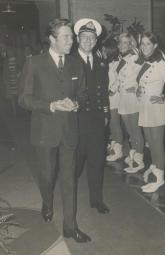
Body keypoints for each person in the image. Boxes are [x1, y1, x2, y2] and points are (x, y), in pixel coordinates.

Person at [18, 18, 91, 242]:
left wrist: (76, 102)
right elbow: (24, 99)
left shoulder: (76, 63)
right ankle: (47, 201)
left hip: (69, 131)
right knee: (47, 176)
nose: (72, 41)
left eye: (71, 36)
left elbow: (83, 93)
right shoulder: (35, 63)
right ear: (52, 39)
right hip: (44, 132)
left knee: (69, 179)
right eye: (66, 37)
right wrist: (50, 105)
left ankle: (70, 226)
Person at [132, 32, 165, 193]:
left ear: (155, 46)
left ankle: (159, 178)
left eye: (148, 44)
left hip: (157, 110)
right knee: (150, 144)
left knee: (157, 146)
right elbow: (144, 83)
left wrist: (164, 100)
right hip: (145, 108)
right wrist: (138, 91)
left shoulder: (160, 64)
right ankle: (155, 170)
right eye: (142, 44)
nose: (144, 47)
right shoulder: (144, 63)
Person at [73, 18, 110, 214]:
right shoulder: (70, 62)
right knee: (75, 163)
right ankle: (69, 199)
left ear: (96, 41)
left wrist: (105, 114)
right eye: (84, 37)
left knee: (97, 160)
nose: (88, 41)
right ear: (78, 38)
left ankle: (96, 200)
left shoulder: (102, 62)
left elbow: (103, 90)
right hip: (77, 120)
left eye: (91, 38)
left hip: (96, 120)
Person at [116, 33, 144, 172]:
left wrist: (138, 87)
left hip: (133, 98)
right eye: (120, 42)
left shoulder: (135, 57)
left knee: (135, 130)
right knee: (130, 131)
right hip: (123, 98)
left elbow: (145, 73)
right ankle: (134, 154)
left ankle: (139, 160)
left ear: (131, 44)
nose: (122, 45)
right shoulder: (123, 58)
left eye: (126, 43)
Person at [102, 38, 124, 162]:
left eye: (105, 50)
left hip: (114, 97)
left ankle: (119, 149)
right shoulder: (108, 63)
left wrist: (112, 89)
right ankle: (114, 145)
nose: (103, 52)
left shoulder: (117, 63)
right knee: (111, 123)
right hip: (108, 96)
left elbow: (119, 79)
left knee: (115, 124)